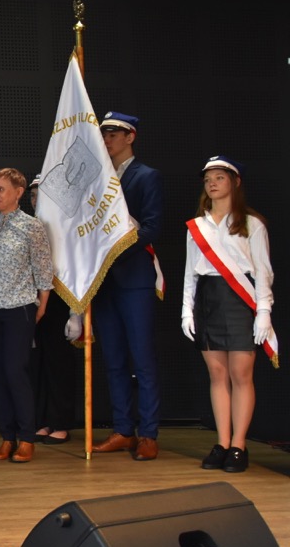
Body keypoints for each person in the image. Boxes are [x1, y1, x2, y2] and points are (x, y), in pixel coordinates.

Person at [182, 156, 275, 474]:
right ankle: (222, 443)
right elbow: (190, 273)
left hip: (239, 300)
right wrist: (186, 310)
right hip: (208, 299)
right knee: (217, 375)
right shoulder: (197, 226)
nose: (212, 183)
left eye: (219, 177)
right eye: (208, 178)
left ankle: (238, 445)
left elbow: (263, 271)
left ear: (235, 182)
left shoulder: (252, 223)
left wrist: (264, 310)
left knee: (241, 374)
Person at [90, 112, 164, 461]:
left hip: (134, 278)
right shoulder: (97, 181)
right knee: (114, 359)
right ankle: (123, 429)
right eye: (104, 134)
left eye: (113, 134)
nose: (107, 139)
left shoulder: (147, 176)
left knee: (142, 359)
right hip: (104, 281)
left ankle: (148, 433)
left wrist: (116, 250)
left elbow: (152, 226)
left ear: (130, 136)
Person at [0, 168, 53, 464]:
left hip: (19, 307)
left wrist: (40, 306)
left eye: (1, 189)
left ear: (18, 192)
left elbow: (43, 270)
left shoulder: (32, 227)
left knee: (15, 372)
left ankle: (27, 438)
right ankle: (7, 437)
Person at [26, 176, 81, 446]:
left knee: (58, 363)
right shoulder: (27, 225)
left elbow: (79, 271)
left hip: (61, 298)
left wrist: (76, 313)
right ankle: (42, 419)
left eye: (41, 195)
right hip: (31, 298)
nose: (36, 200)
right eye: (33, 196)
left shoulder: (68, 228)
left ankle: (60, 422)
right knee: (37, 364)